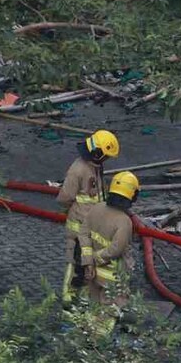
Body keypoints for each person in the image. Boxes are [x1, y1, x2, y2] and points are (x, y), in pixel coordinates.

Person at [56, 129, 119, 307]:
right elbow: (65, 197)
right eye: (106, 156)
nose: (107, 160)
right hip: (79, 227)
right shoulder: (78, 170)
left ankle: (83, 296)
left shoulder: (95, 166)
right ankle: (69, 298)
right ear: (97, 153)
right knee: (77, 261)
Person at [83, 171, 139, 335]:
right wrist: (97, 258)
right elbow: (116, 249)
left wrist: (89, 259)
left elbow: (83, 234)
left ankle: (86, 333)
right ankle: (98, 343)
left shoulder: (96, 208)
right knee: (110, 309)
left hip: (92, 271)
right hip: (113, 275)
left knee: (93, 304)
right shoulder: (124, 221)